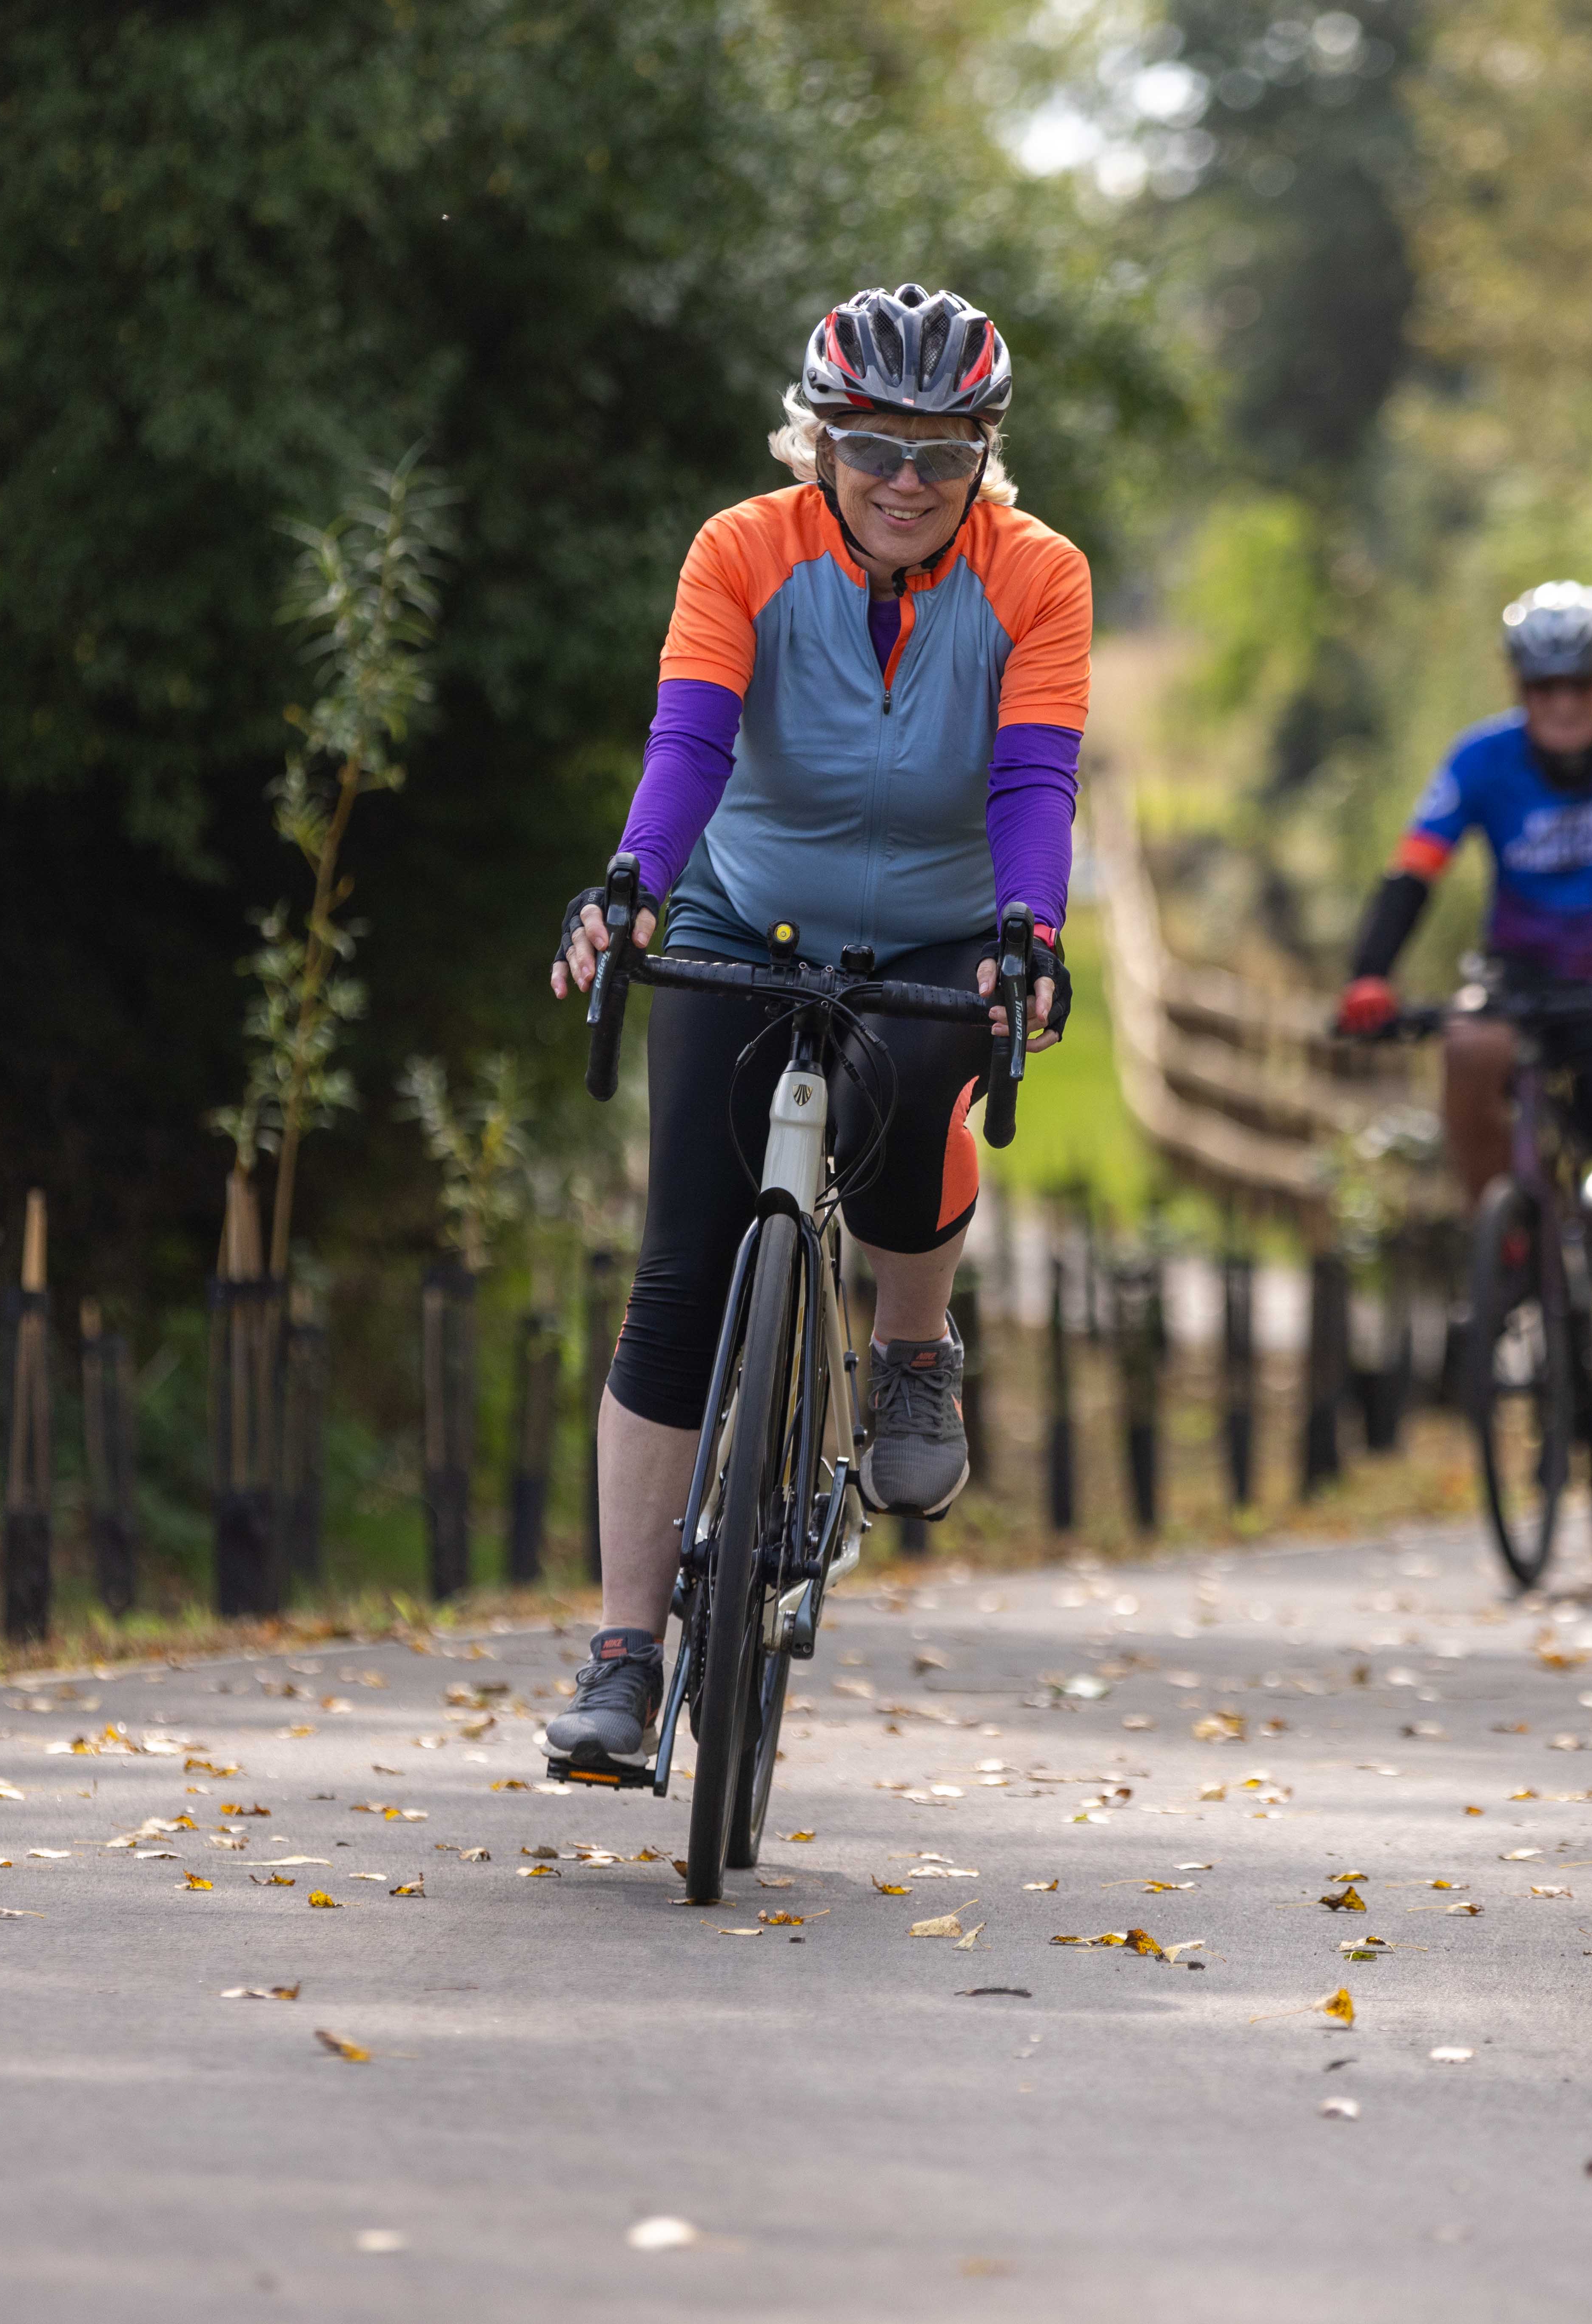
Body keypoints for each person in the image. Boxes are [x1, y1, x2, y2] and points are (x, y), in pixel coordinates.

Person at [539, 283, 1084, 1774]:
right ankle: (625, 1655)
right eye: (871, 443)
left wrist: (1031, 937)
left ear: (984, 454)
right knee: (678, 1271)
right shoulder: (741, 549)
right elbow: (692, 740)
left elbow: (1035, 777)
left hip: (939, 929)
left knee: (919, 1094)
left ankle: (912, 1346)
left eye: (941, 447)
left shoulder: (1038, 575)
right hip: (742, 913)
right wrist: (636, 888)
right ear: (817, 442)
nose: (905, 478)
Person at [1333, 581, 1592, 1523]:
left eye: (1582, 684)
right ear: (1517, 684)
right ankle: (1506, 1234)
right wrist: (1368, 976)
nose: (1562, 704)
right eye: (1543, 685)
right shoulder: (1480, 756)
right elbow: (1412, 868)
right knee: (1468, 1041)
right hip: (1524, 984)